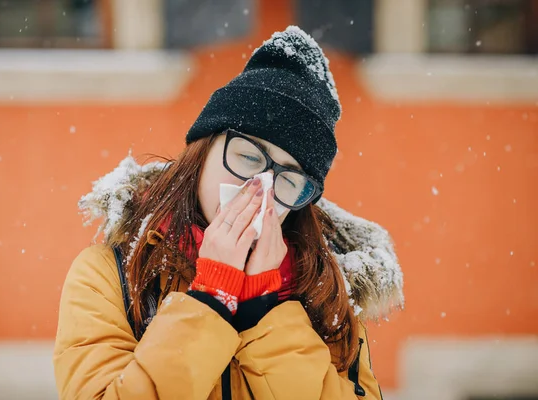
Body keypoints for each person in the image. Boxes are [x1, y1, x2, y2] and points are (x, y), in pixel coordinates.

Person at [54, 26, 404, 399]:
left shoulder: (327, 291)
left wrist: (266, 309)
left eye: (289, 179)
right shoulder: (110, 276)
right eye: (249, 157)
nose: (261, 187)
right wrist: (212, 298)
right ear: (203, 152)